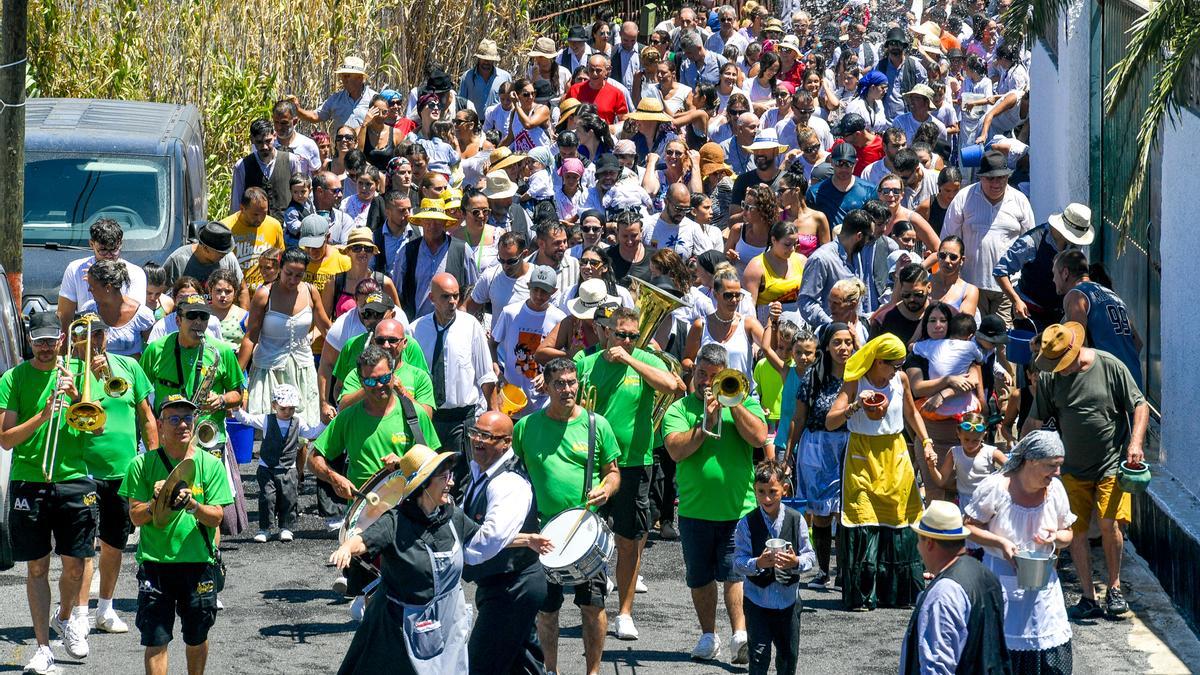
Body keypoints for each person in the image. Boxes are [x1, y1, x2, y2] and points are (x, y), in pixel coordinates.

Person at [330, 441, 550, 674]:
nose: (452, 482)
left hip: (446, 624)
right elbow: (364, 540)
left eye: (450, 475)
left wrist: (526, 540)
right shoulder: (395, 521)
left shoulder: (453, 517)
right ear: (424, 485)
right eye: (444, 478)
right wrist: (346, 548)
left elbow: (482, 537)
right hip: (401, 629)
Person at [1024, 322, 1148, 620]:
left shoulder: (1109, 365)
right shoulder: (1051, 377)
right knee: (1074, 532)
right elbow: (1035, 422)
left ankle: (1115, 588)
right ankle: (1089, 596)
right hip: (1070, 468)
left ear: (1074, 349)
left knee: (1109, 525)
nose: (1058, 369)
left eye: (1061, 363)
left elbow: (1140, 405)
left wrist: (1136, 443)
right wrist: (1020, 461)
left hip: (1110, 462)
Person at [575, 306, 685, 640]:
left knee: (630, 539)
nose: (627, 340)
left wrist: (631, 358)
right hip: (594, 464)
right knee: (586, 536)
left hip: (636, 462)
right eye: (620, 333)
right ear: (603, 332)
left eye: (633, 335)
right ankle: (591, 609)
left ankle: (624, 612)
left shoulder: (645, 360)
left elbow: (673, 386)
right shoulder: (585, 363)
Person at [0, 312, 97, 672]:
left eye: (49, 340)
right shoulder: (14, 378)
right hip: (30, 480)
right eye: (38, 340)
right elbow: (6, 439)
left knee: (75, 567)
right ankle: (43, 647)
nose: (43, 347)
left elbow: (97, 430)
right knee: (37, 567)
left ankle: (66, 616)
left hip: (74, 479)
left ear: (60, 340)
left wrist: (75, 399)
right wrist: (42, 415)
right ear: (30, 339)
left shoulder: (78, 372)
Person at [513, 357, 622, 675]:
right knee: (547, 611)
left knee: (593, 606)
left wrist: (606, 489)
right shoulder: (526, 427)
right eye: (559, 383)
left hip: (584, 533)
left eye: (572, 382)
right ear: (546, 386)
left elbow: (613, 473)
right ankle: (551, 671)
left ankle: (593, 671)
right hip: (542, 533)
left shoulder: (595, 424)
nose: (567, 389)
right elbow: (510, 472)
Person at [311, 345, 442, 607]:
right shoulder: (348, 417)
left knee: (409, 600)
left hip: (408, 520)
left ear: (393, 375)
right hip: (364, 522)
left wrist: (406, 463)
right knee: (366, 607)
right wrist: (333, 477)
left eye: (384, 378)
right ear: (361, 381)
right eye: (371, 380)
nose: (379, 385)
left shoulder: (413, 416)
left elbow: (438, 466)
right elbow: (314, 458)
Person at [663, 343, 768, 663]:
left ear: (726, 375)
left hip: (738, 509)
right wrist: (705, 423)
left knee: (735, 573)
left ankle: (740, 637)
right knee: (700, 577)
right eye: (701, 374)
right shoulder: (678, 410)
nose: (707, 382)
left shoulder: (745, 401)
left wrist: (733, 404)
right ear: (693, 372)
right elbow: (676, 451)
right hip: (695, 511)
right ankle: (709, 636)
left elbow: (760, 437)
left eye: (714, 376)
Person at [119, 395, 233, 675]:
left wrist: (193, 505)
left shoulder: (211, 464)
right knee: (155, 639)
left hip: (198, 564)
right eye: (174, 418)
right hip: (156, 565)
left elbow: (217, 516)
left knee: (197, 637)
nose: (182, 424)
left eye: (187, 418)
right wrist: (157, 502)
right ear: (160, 423)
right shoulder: (141, 465)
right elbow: (135, 516)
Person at [825, 334, 931, 611]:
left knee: (899, 519)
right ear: (878, 361)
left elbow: (911, 414)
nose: (897, 370)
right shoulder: (855, 381)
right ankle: (862, 594)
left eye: (899, 365)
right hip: (862, 453)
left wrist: (926, 441)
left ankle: (899, 593)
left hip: (894, 452)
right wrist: (856, 406)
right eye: (893, 365)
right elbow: (830, 420)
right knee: (862, 520)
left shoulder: (901, 380)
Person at [68, 312, 157, 635]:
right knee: (83, 546)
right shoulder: (68, 370)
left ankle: (105, 608)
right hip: (82, 470)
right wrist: (84, 380)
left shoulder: (129, 367)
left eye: (99, 335)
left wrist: (154, 460)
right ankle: (79, 613)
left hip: (123, 471)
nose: (94, 342)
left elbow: (146, 417)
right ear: (75, 340)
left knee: (114, 544)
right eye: (86, 335)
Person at [964, 431, 1076, 672]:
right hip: (1000, 580)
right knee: (1003, 648)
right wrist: (1000, 543)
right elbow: (968, 527)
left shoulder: (1055, 490)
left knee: (1044, 646)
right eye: (1051, 466)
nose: (1057, 473)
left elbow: (1068, 535)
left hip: (1043, 582)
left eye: (1059, 466)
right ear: (1031, 460)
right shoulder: (996, 487)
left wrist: (1055, 536)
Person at [141, 295, 248, 536]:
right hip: (169, 439)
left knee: (208, 503)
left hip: (206, 437)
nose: (199, 322)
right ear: (178, 320)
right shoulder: (156, 350)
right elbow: (141, 394)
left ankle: (211, 556)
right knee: (165, 496)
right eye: (192, 316)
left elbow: (238, 394)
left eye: (204, 316)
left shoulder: (220, 351)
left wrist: (220, 400)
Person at [461, 411, 547, 673]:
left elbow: (490, 539)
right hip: (501, 584)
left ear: (506, 443)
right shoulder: (480, 468)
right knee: (524, 665)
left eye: (487, 436)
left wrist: (454, 553)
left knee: (479, 666)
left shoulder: (509, 482)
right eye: (475, 432)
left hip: (512, 587)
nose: (478, 440)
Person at [900, 501, 1011, 674]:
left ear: (929, 542)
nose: (917, 548)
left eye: (919, 541)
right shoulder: (988, 577)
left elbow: (937, 666)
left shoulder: (943, 594)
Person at [786, 323, 856, 587]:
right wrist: (788, 454)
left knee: (846, 512)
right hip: (818, 445)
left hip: (850, 444)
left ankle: (845, 573)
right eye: (837, 342)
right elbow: (799, 417)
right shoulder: (814, 376)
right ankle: (824, 571)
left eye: (848, 342)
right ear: (826, 346)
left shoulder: (859, 375)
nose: (843, 348)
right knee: (822, 512)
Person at [412, 273, 498, 485]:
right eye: (445, 297)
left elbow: (486, 375)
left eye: (456, 296)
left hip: (462, 418)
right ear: (432, 298)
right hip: (429, 418)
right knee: (429, 476)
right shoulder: (415, 330)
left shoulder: (471, 327)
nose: (452, 302)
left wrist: (494, 413)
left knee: (460, 478)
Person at [732, 460, 815, 675]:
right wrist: (757, 563)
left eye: (773, 491)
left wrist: (796, 562)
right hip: (757, 601)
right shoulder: (746, 523)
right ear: (755, 490)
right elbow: (738, 561)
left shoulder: (796, 520)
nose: (767, 498)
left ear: (784, 489)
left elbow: (810, 556)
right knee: (758, 656)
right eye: (761, 492)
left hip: (788, 602)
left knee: (788, 657)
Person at [941, 150, 1036, 326]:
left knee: (1002, 339)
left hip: (1008, 288)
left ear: (1008, 177)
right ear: (981, 178)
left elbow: (1030, 244)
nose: (996, 183)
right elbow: (948, 240)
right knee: (973, 335)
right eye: (990, 178)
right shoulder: (964, 198)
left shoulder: (1020, 201)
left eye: (1001, 177)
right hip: (971, 284)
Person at [240, 247, 332, 427]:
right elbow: (251, 337)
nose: (293, 280)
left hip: (302, 370)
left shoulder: (311, 292)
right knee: (270, 429)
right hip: (269, 370)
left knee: (303, 429)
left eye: (299, 275)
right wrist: (236, 377)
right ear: (280, 268)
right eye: (288, 273)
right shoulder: (264, 294)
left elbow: (327, 330)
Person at [231, 384, 320, 544]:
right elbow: (247, 419)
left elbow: (312, 433)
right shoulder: (266, 419)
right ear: (274, 406)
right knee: (267, 497)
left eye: (291, 408)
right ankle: (265, 528)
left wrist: (325, 423)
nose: (287, 412)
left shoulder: (298, 422)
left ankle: (286, 527)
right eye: (283, 408)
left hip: (289, 468)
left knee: (289, 498)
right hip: (267, 467)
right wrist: (237, 410)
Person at [993, 202, 1094, 330]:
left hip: (1059, 314)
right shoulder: (1031, 242)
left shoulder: (1074, 246)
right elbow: (1000, 271)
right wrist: (1016, 301)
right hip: (1029, 314)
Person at [1055, 249, 1144, 389]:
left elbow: (1077, 346)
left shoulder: (1076, 295)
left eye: (1054, 274)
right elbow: (1137, 343)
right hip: (1133, 381)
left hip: (1107, 383)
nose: (1053, 280)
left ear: (1065, 273)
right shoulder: (1112, 295)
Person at [491, 266, 565, 414]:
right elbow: (492, 344)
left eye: (544, 291)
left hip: (543, 402)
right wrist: (498, 373)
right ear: (528, 286)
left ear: (554, 291)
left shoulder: (559, 319)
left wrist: (548, 375)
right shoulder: (510, 313)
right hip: (512, 398)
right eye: (535, 289)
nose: (538, 295)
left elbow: (564, 358)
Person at [57, 218, 149, 332]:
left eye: (114, 250)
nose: (109, 256)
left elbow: (134, 312)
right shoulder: (75, 269)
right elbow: (65, 316)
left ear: (120, 244)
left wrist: (100, 282)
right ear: (91, 244)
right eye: (103, 250)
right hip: (88, 337)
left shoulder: (136, 273)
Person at [393, 200, 475, 319]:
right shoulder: (407, 251)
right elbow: (397, 291)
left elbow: (473, 289)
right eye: (428, 221)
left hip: (453, 324)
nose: (432, 225)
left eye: (437, 221)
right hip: (416, 325)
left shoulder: (461, 250)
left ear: (444, 223)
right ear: (421, 222)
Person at [336, 319, 435, 417]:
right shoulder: (359, 374)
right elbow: (343, 408)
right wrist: (370, 386)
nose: (386, 345)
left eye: (393, 340)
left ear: (404, 343)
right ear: (373, 342)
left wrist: (402, 391)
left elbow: (427, 418)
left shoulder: (419, 377)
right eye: (380, 341)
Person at [798, 209, 874, 327]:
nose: (870, 243)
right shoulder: (821, 259)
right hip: (830, 338)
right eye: (870, 238)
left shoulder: (856, 255)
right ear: (859, 236)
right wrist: (832, 326)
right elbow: (806, 302)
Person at [80, 260, 157, 358]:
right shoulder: (89, 310)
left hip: (129, 372)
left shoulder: (142, 315)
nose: (89, 289)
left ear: (108, 287)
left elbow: (153, 353)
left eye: (92, 286)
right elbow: (79, 349)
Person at [229, 119, 302, 220]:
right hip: (254, 229)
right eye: (259, 142)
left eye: (268, 141)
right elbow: (236, 205)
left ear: (275, 136)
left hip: (286, 229)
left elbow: (301, 195)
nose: (264, 147)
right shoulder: (242, 166)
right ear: (252, 139)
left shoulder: (291, 160)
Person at [742, 221, 807, 325]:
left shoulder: (802, 261)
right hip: (767, 329)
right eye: (787, 244)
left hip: (797, 330)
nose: (792, 249)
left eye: (795, 244)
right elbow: (748, 310)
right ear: (773, 240)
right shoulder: (756, 267)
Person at [289, 55, 377, 129]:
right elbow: (315, 116)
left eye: (347, 76)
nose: (344, 80)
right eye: (343, 76)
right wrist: (297, 110)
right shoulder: (335, 99)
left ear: (360, 78)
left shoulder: (374, 99)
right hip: (342, 149)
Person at [806, 143, 877, 228]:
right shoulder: (815, 193)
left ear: (856, 162)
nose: (843, 168)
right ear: (831, 162)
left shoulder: (869, 190)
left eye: (848, 163)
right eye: (839, 163)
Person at [161, 221, 245, 289]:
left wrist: (243, 310)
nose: (225, 254)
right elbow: (159, 292)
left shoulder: (229, 258)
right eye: (220, 252)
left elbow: (242, 290)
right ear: (205, 248)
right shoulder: (178, 260)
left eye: (226, 251)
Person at [870, 263, 932, 343]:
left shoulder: (941, 315)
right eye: (906, 294)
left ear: (929, 287)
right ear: (900, 290)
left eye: (918, 294)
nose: (911, 299)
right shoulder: (883, 320)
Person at [567, 53, 629, 124]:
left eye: (598, 70)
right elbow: (565, 116)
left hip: (604, 133)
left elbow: (624, 120)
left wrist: (611, 129)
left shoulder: (616, 93)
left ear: (606, 71)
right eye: (591, 70)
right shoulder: (575, 90)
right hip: (578, 133)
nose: (594, 73)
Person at [930, 236, 980, 318]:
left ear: (962, 260)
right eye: (942, 255)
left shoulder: (969, 291)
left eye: (953, 257)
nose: (947, 260)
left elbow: (963, 326)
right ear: (937, 256)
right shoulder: (924, 281)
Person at [206, 269, 248, 353]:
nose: (223, 295)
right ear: (210, 291)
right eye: (218, 290)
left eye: (228, 291)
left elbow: (254, 343)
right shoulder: (201, 313)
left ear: (235, 293)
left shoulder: (244, 316)